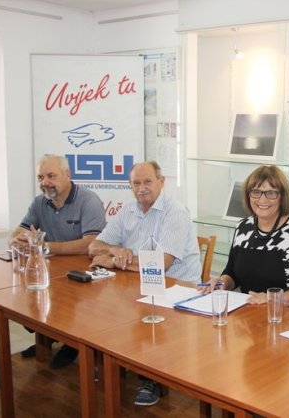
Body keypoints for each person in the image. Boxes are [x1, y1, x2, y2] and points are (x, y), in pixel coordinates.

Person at [88, 160, 201, 406]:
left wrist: (114, 262)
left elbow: (162, 264)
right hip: (137, 284)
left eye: (147, 181)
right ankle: (112, 361)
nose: (141, 188)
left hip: (177, 290)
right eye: (136, 183)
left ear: (162, 182)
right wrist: (115, 249)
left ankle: (152, 377)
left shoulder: (175, 212)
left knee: (140, 313)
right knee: (100, 308)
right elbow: (94, 247)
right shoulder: (128, 210)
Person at [9, 154, 106, 369]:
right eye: (40, 177)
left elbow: (90, 244)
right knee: (25, 301)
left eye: (51, 176)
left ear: (67, 174)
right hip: (52, 271)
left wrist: (44, 247)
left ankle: (70, 345)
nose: (45, 182)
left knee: (68, 304)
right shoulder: (40, 202)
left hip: (83, 275)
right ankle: (46, 337)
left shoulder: (88, 200)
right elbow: (19, 231)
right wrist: (16, 240)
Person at [198, 165, 289, 307]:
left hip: (287, 312)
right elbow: (232, 272)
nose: (262, 199)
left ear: (282, 197)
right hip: (247, 310)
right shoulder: (243, 227)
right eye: (256, 192)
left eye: (271, 193)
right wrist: (221, 282)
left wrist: (273, 298)